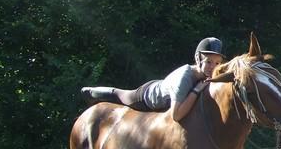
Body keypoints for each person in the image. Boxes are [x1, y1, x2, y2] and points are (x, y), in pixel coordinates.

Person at [81, 37, 225, 123]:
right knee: (121, 95)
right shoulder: (185, 78)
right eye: (208, 62)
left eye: (217, 63)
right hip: (146, 97)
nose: (212, 67)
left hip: (162, 85)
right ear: (198, 59)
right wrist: (195, 90)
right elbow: (176, 115)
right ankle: (91, 92)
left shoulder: (209, 77)